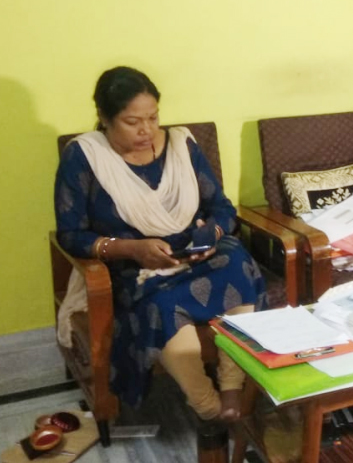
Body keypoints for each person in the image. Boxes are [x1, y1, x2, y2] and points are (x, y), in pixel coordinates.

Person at [54, 66, 266, 423]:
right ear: (104, 118)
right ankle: (208, 405)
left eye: (153, 118)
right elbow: (71, 234)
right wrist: (132, 249)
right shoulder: (84, 157)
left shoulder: (182, 145)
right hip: (136, 267)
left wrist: (212, 234)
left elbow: (222, 208)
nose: (147, 130)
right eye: (132, 121)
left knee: (239, 265)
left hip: (198, 254)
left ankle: (232, 386)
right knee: (163, 303)